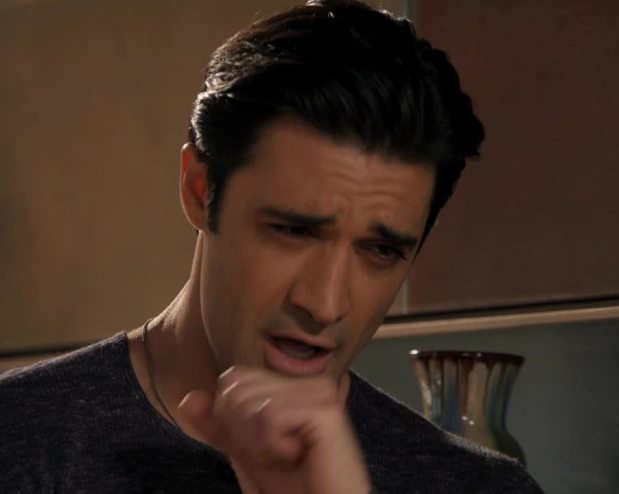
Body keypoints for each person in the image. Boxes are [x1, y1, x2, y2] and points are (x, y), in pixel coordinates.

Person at [0, 1, 543, 492]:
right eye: (294, 231)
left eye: (380, 251)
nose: (324, 304)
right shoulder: (19, 440)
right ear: (199, 190)